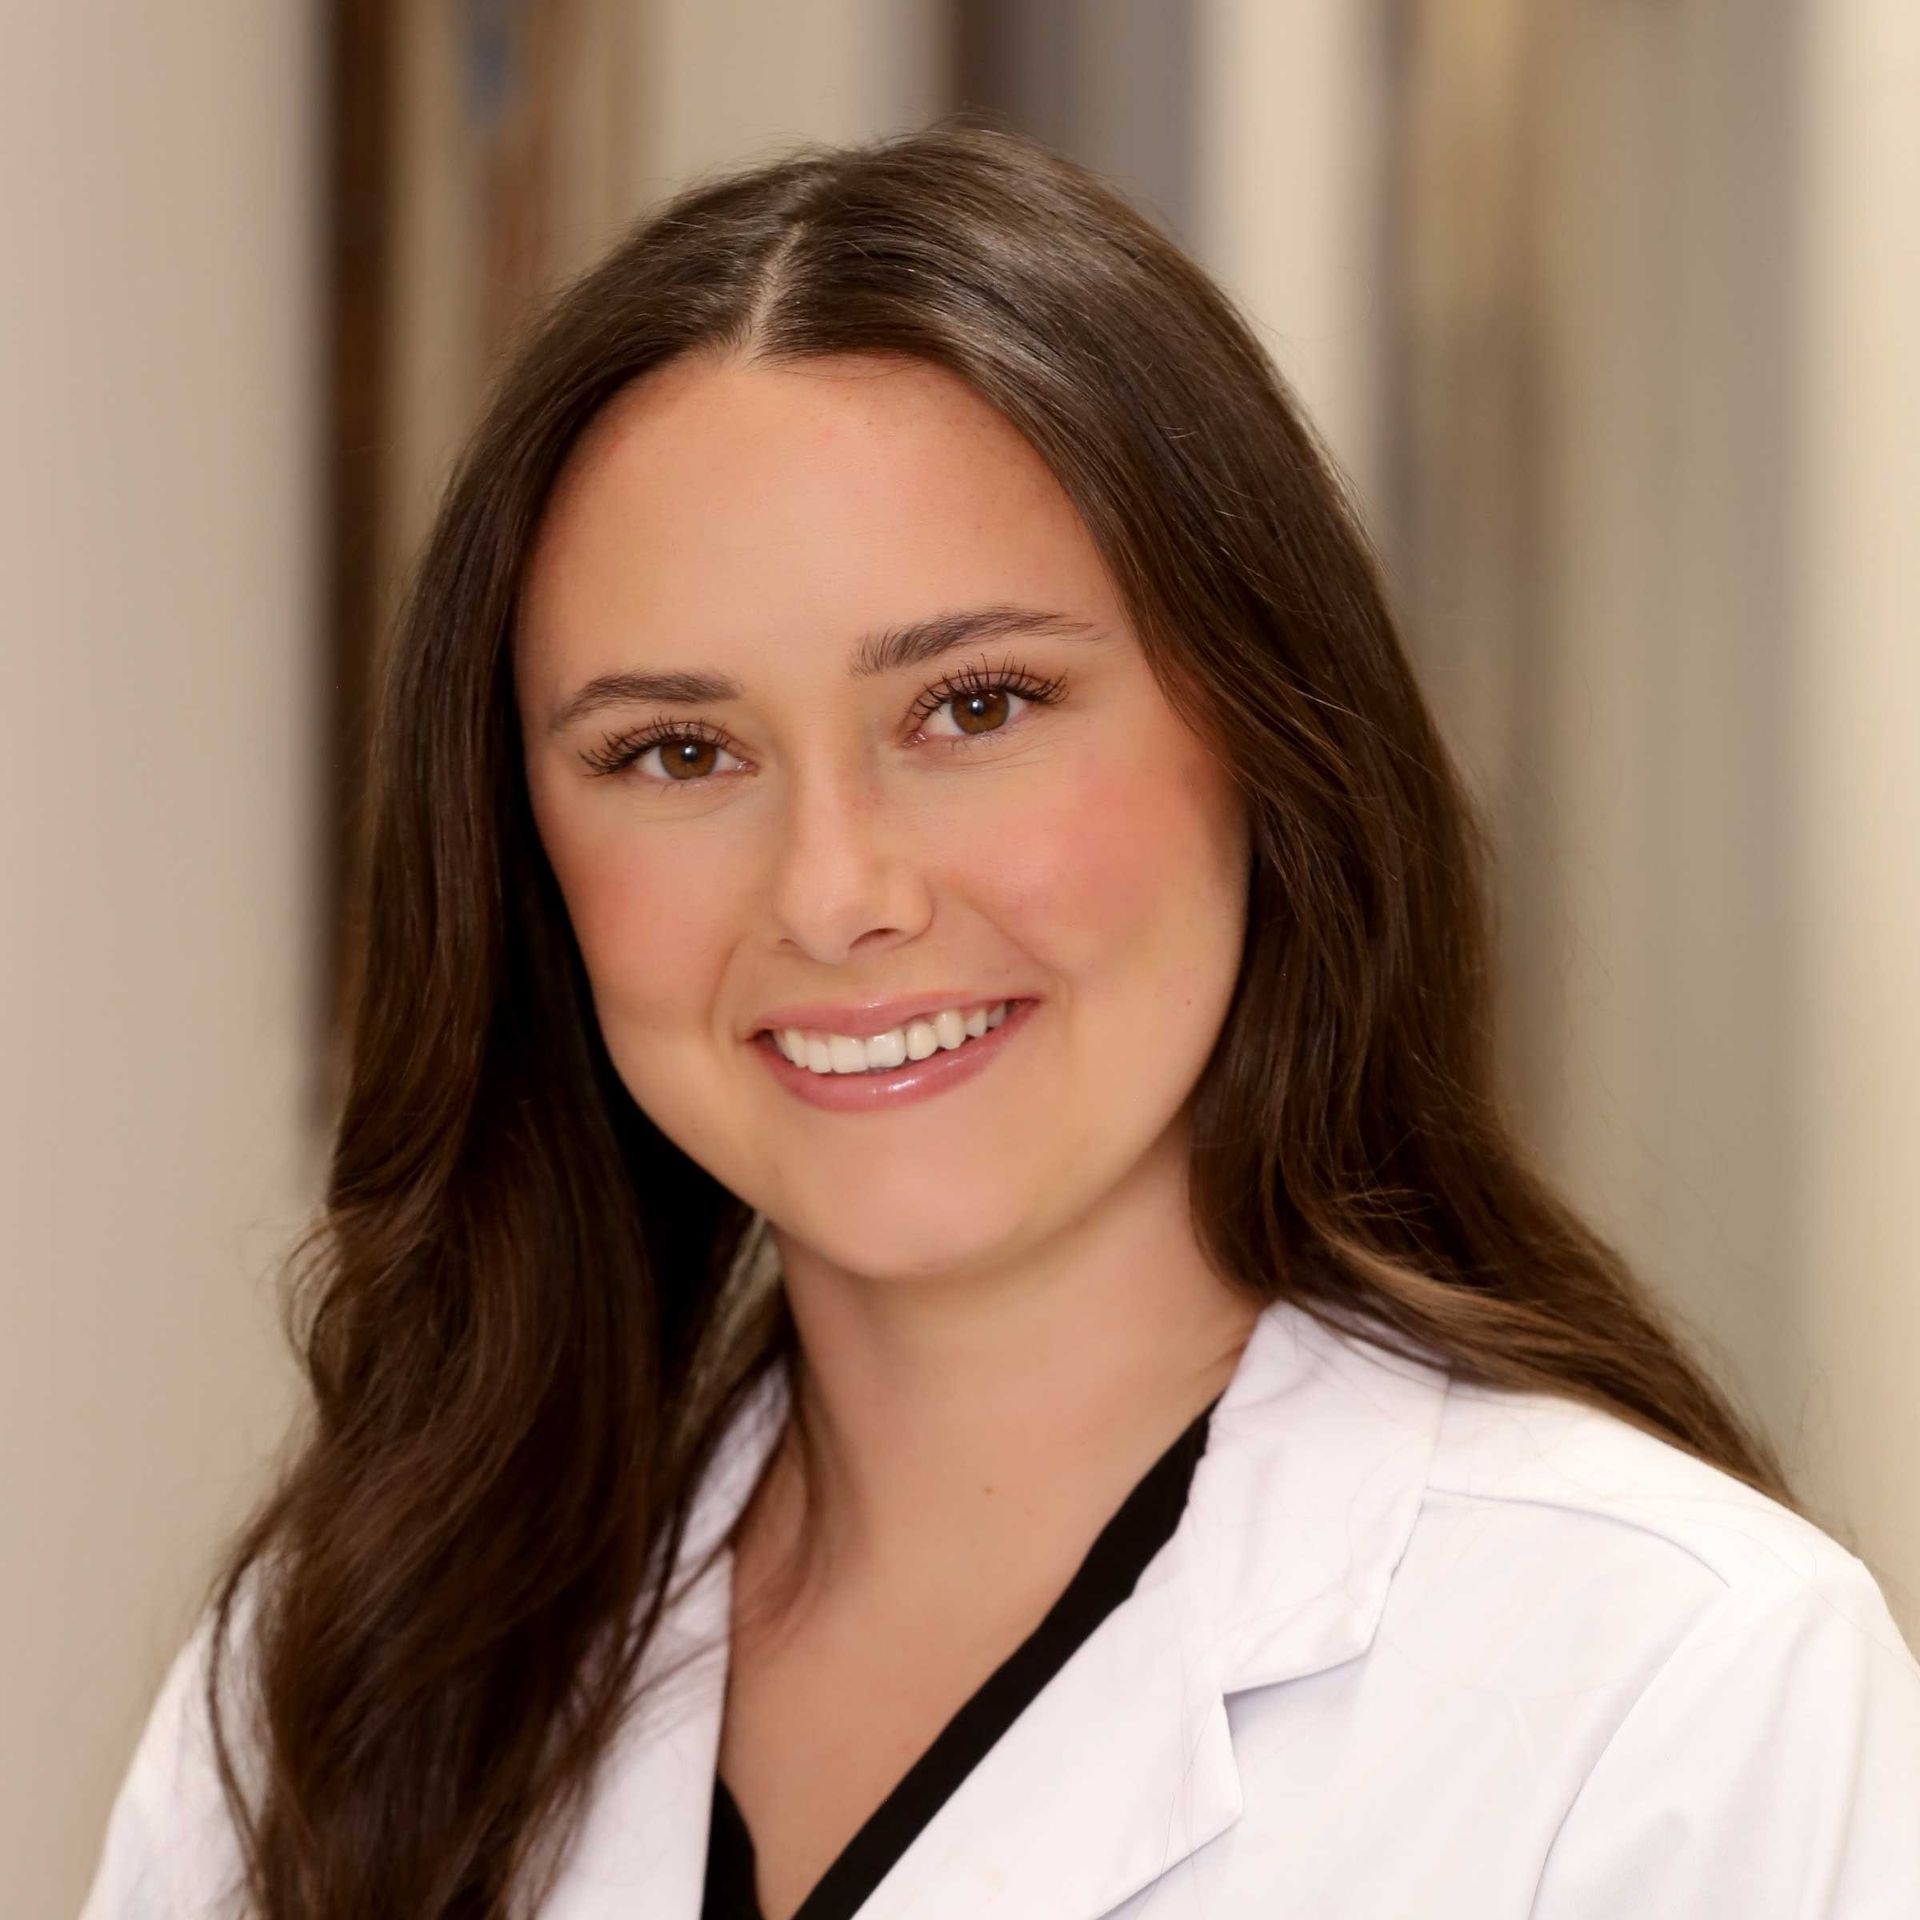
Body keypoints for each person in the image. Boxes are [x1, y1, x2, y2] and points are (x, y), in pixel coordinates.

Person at [80, 119, 1920, 1920]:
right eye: (678, 750)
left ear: (1265, 736)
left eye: (976, 706)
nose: (834, 891)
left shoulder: (1671, 1693)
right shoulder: (339, 1681)